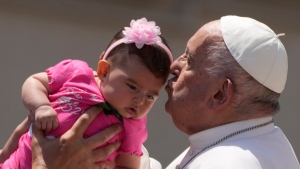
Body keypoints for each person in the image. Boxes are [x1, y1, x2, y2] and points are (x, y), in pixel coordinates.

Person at [29, 15, 300, 169]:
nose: (173, 66)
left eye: (189, 60)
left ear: (220, 94)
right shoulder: (254, 144)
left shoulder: (229, 163)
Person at [0, 17, 172, 169]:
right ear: (104, 71)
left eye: (150, 96)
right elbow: (35, 82)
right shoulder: (77, 74)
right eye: (133, 87)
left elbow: (128, 166)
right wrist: (41, 106)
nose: (140, 100)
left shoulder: (133, 126)